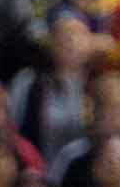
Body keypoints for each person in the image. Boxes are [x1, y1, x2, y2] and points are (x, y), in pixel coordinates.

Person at [10, 9, 93, 168]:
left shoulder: (100, 84)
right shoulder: (27, 83)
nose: (70, 41)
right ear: (49, 42)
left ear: (90, 42)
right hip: (38, 173)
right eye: (62, 35)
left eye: (77, 34)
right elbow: (13, 132)